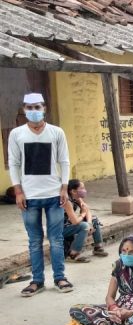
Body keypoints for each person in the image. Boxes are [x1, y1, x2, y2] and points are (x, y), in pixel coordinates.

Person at [9, 93, 73, 297]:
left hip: (54, 194)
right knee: (34, 240)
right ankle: (37, 281)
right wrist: (18, 191)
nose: (33, 111)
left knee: (56, 239)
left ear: (44, 108)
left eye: (37, 107)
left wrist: (64, 188)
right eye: (29, 108)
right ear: (24, 110)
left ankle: (60, 277)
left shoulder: (56, 132)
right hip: (29, 197)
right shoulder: (17, 134)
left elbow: (64, 161)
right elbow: (14, 163)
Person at [63, 179, 107, 263]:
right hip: (61, 229)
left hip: (70, 224)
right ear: (73, 191)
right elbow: (75, 221)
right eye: (82, 188)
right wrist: (82, 214)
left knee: (93, 219)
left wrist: (90, 223)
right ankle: (73, 254)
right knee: (84, 226)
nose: (84, 190)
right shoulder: (67, 201)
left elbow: (87, 210)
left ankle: (98, 247)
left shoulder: (76, 198)